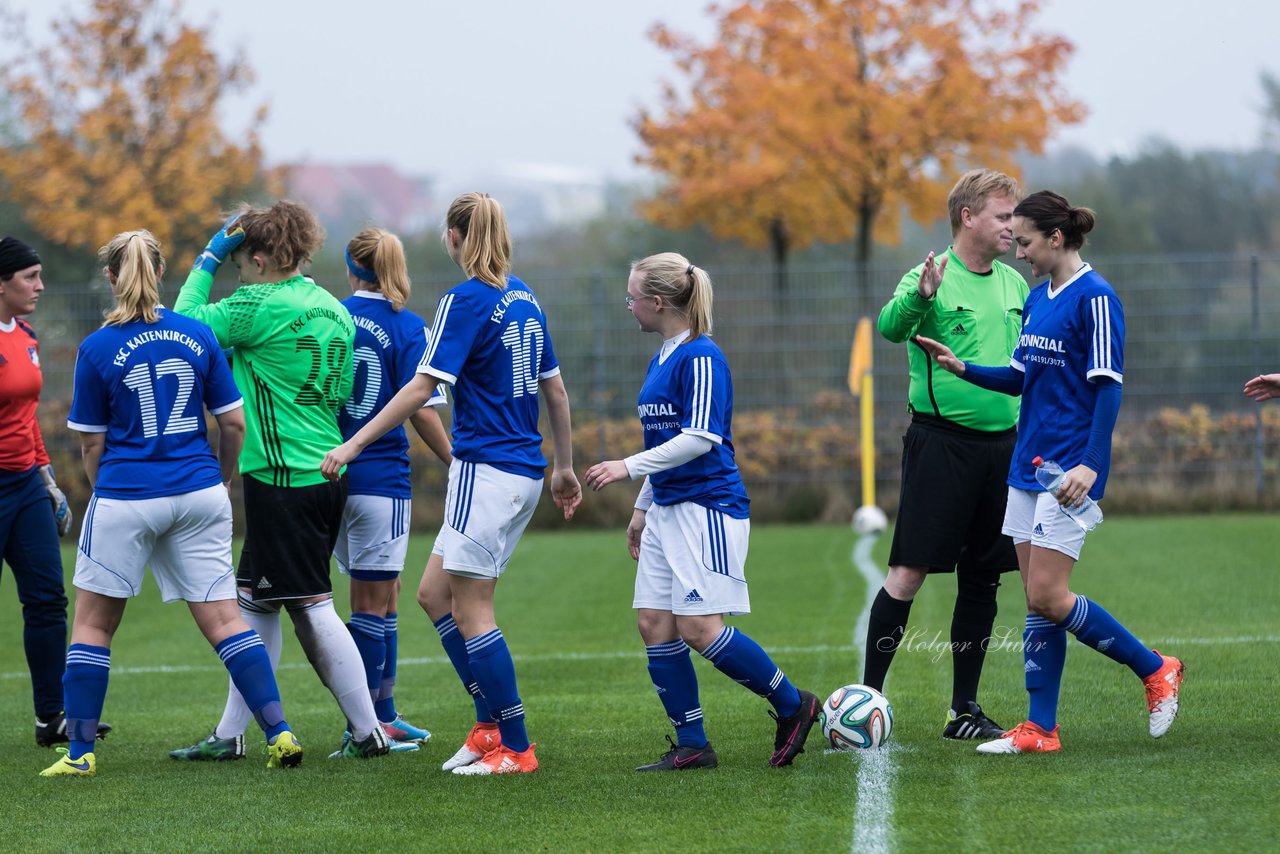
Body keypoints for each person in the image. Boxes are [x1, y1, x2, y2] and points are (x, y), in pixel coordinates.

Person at [915, 190, 1184, 754]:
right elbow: (1019, 378)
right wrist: (962, 367)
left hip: (1068, 471)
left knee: (1048, 593)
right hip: (1025, 467)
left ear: (1056, 238)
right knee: (1037, 601)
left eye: (1028, 243)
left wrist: (1091, 464)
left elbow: (1108, 388)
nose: (1021, 253)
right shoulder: (1038, 299)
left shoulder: (1097, 299)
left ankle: (1156, 668)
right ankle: (1040, 729)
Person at [322, 192, 581, 776]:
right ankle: (489, 727)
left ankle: (515, 746)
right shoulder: (526, 298)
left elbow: (421, 389)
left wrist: (354, 443)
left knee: (473, 610)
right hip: (524, 473)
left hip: (486, 471)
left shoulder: (465, 301)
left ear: (456, 237)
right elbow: (556, 391)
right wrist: (562, 467)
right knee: (433, 594)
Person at [40, 230, 301, 777]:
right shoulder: (196, 334)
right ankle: (279, 733)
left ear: (110, 278)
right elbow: (232, 422)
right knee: (227, 620)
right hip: (200, 494)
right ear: (160, 273)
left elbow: (93, 443)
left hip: (127, 495)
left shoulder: (96, 348)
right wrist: (221, 479)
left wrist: (104, 488)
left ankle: (81, 754)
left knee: (92, 626)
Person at [169, 201, 390, 760]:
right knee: (256, 605)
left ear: (262, 259)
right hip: (325, 468)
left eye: (242, 262)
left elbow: (183, 326)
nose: (238, 272)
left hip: (283, 477)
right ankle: (229, 735)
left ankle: (368, 732)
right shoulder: (330, 306)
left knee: (312, 605)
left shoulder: (255, 304)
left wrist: (210, 256)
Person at [583, 252, 820, 771]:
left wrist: (625, 467)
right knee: (654, 623)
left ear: (660, 301)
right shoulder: (662, 355)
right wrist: (642, 509)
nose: (629, 307)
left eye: (632, 298)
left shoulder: (702, 356)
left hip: (707, 508)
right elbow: (663, 441)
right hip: (667, 508)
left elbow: (700, 439)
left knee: (698, 627)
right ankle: (693, 744)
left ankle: (793, 705)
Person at [867, 168, 1026, 740]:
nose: (1013, 226)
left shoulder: (1014, 285)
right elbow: (889, 328)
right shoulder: (929, 274)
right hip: (941, 446)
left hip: (1003, 450)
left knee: (984, 578)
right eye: (1004, 216)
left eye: (1014, 216)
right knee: (909, 572)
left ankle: (965, 708)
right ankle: (867, 704)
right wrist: (920, 298)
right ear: (968, 217)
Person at [332, 228, 453, 752]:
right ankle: (364, 727)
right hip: (381, 480)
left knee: (386, 596)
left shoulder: (326, 315)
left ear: (351, 267)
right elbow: (422, 410)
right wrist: (454, 461)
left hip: (327, 475)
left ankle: (385, 712)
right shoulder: (408, 326)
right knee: (370, 602)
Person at [0, 236, 108, 749]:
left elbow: (26, 420)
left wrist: (47, 480)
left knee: (47, 600)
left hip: (25, 487)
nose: (40, 286)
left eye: (42, 276)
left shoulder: (25, 335)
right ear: (2, 283)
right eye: (30, 278)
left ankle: (52, 719)